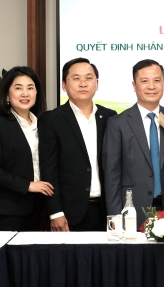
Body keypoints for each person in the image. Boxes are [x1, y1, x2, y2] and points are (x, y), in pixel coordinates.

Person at [103, 60, 164, 227]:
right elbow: (112, 175)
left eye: (157, 80)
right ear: (134, 85)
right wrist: (115, 216)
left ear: (163, 83)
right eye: (144, 81)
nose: (151, 86)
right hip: (132, 212)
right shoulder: (118, 124)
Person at [39, 58, 117, 231]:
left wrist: (117, 211)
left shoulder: (110, 117)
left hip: (107, 211)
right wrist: (55, 212)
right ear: (64, 85)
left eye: (89, 78)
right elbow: (48, 169)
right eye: (76, 78)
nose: (83, 83)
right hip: (69, 213)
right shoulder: (51, 120)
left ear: (97, 84)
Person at [0, 66, 54, 231]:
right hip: (7, 211)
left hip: (38, 208)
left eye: (30, 88)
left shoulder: (43, 125)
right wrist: (28, 185)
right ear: (7, 94)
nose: (25, 94)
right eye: (18, 88)